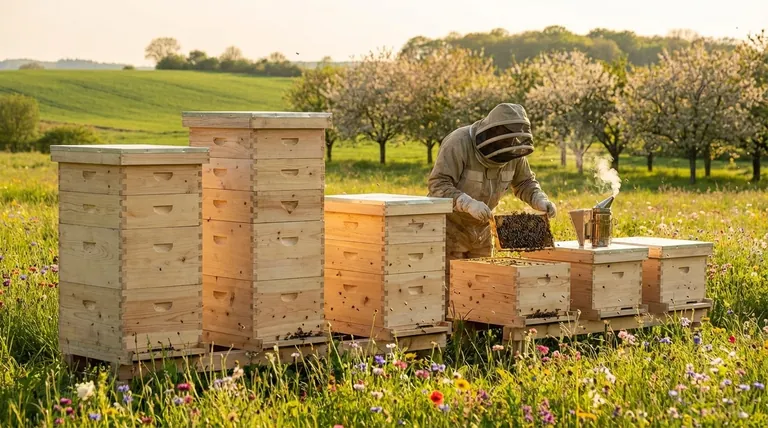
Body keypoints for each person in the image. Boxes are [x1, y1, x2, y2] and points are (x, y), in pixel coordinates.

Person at [427, 103, 556, 315]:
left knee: (481, 291)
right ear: (493, 132)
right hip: (448, 228)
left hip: (483, 230)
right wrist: (466, 203)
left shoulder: (513, 151)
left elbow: (525, 183)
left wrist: (539, 199)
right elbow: (438, 185)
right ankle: (453, 343)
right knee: (451, 292)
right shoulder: (458, 143)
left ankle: (477, 340)